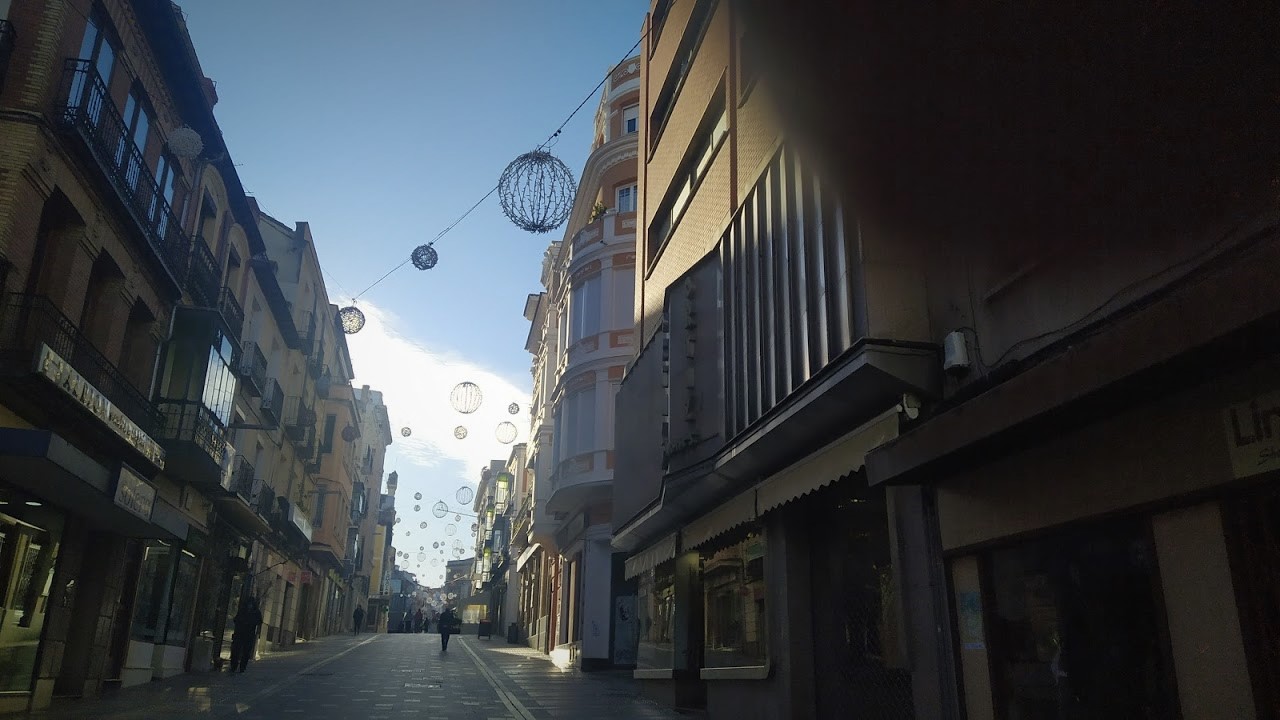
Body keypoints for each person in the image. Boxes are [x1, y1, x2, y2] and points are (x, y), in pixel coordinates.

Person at [228, 596, 263, 674]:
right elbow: (236, 619)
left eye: (251, 604)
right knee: (236, 650)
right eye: (249, 604)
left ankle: (242, 667)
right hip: (240, 633)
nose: (249, 605)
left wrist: (250, 623)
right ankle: (234, 666)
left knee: (246, 652)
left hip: (249, 634)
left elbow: (259, 621)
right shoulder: (243, 610)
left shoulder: (256, 612)